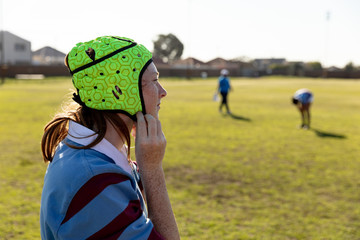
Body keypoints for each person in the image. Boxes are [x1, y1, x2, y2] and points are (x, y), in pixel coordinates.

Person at [40, 36, 180, 240]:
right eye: (154, 81)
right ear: (120, 92)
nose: (163, 92)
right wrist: (152, 169)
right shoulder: (95, 181)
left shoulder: (92, 151)